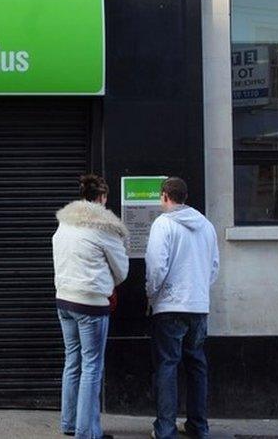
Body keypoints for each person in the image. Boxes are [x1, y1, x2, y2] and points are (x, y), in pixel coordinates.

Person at [53, 174, 129, 439]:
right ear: (102, 198)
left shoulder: (63, 226)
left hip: (64, 300)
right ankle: (87, 432)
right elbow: (122, 271)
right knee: (92, 366)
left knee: (72, 361)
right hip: (91, 305)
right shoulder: (103, 228)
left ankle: (70, 423)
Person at [145, 177, 219, 439]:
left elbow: (156, 267)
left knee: (167, 365)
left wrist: (152, 295)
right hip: (198, 305)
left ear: (165, 195)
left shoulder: (163, 224)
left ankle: (165, 429)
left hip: (169, 306)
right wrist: (198, 290)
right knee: (196, 364)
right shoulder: (207, 226)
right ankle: (199, 426)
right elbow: (213, 267)